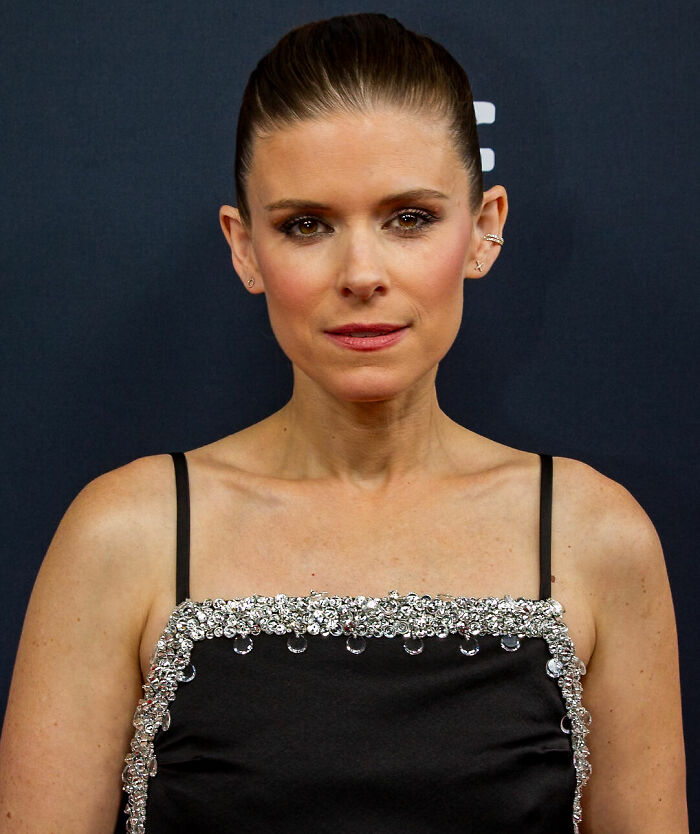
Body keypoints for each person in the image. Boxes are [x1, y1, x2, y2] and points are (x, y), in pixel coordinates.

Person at [0, 12, 688, 834]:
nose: (361, 274)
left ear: (485, 227)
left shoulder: (595, 537)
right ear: (244, 247)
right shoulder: (126, 535)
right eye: (306, 225)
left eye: (409, 218)